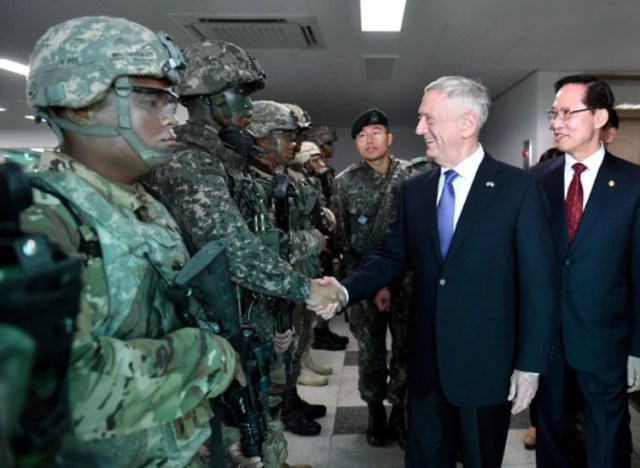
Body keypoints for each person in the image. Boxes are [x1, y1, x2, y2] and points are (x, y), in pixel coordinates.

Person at [18, 16, 246, 466]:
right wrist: (207, 358)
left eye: (171, 101)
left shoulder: (139, 201)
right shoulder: (38, 221)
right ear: (80, 104)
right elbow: (48, 389)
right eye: (151, 100)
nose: (172, 118)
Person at [315, 76, 558, 467]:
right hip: (425, 362)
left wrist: (530, 364)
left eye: (428, 119)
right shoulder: (416, 190)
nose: (418, 129)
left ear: (466, 123)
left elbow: (540, 285)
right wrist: (343, 291)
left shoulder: (519, 188)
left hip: (485, 364)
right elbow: (390, 257)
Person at [531, 73, 640, 468]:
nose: (555, 121)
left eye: (565, 112)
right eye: (553, 112)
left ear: (598, 117)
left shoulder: (633, 183)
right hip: (547, 343)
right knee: (551, 434)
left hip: (606, 339)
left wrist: (637, 349)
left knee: (608, 438)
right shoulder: (534, 183)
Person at [332, 108, 412, 448]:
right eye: (362, 136)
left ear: (390, 138)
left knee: (407, 350)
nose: (370, 140)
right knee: (371, 352)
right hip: (365, 283)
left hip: (409, 283)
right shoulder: (345, 183)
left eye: (376, 132)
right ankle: (375, 410)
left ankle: (400, 411)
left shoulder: (414, 176)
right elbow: (341, 239)